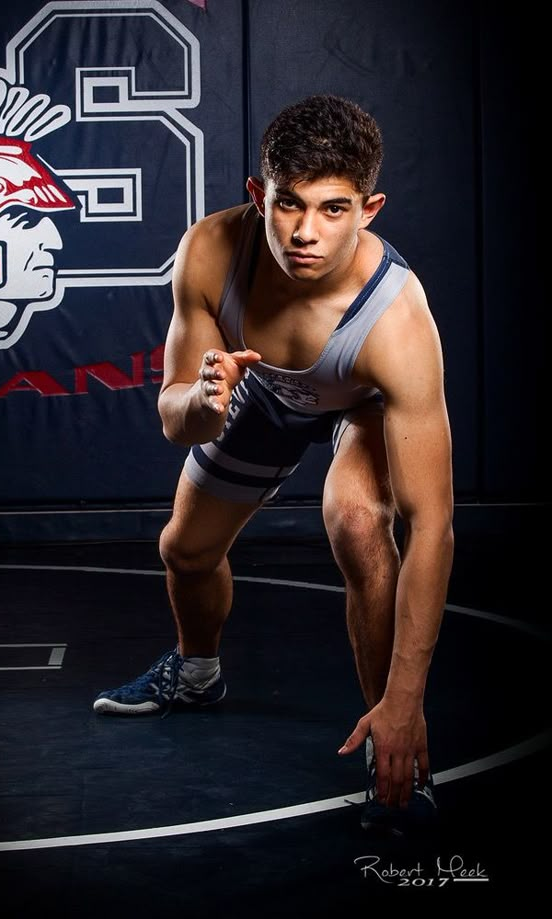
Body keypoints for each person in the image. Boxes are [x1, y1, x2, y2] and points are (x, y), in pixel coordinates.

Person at [93, 94, 454, 836]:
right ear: (259, 194)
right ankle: (197, 674)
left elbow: (434, 525)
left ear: (370, 208)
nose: (305, 232)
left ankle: (392, 751)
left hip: (361, 402)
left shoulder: (397, 320)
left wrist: (408, 694)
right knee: (184, 551)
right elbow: (173, 419)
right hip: (263, 387)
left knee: (358, 524)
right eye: (289, 204)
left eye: (333, 209)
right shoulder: (211, 251)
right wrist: (204, 401)